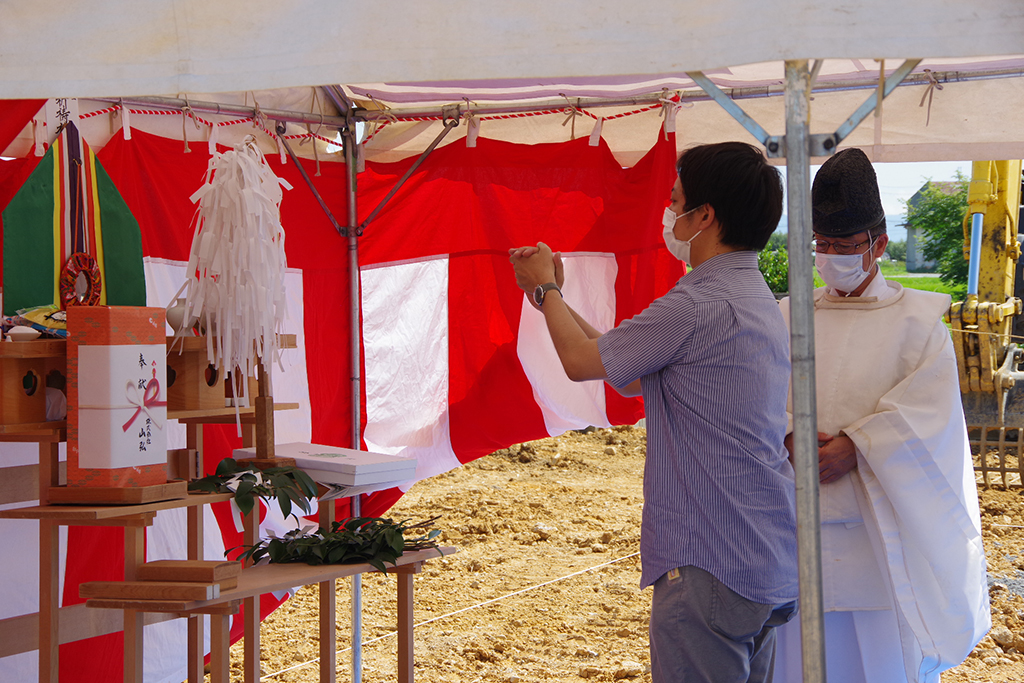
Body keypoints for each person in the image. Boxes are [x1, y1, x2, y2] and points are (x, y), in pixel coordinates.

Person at [510, 141, 799, 683]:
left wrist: (544, 288)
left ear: (705, 216)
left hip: (710, 556)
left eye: (676, 202)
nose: (670, 213)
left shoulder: (694, 304)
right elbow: (627, 364)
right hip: (763, 553)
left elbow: (579, 361)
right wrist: (552, 297)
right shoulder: (754, 296)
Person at [773, 148, 990, 683]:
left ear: (879, 245)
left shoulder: (919, 322)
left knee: (879, 660)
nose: (830, 257)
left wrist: (858, 445)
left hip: (879, 534)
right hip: (794, 525)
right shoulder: (786, 314)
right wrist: (787, 434)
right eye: (820, 245)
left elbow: (931, 414)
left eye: (844, 246)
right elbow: (758, 392)